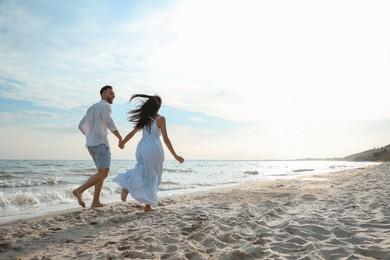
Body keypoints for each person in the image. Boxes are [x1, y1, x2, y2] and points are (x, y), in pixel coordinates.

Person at [113, 94, 184, 212]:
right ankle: (146, 204)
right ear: (158, 106)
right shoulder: (161, 119)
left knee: (141, 168)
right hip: (155, 147)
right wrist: (175, 155)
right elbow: (166, 139)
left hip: (142, 146)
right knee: (154, 175)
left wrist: (123, 143)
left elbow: (132, 133)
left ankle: (129, 188)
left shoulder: (144, 119)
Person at [73, 85, 123, 208]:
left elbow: (81, 125)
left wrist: (89, 135)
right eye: (111, 93)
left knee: (100, 173)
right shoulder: (105, 106)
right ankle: (79, 191)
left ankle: (95, 202)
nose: (113, 96)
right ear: (104, 94)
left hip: (91, 144)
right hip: (101, 143)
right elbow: (109, 122)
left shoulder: (92, 108)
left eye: (113, 94)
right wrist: (120, 137)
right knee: (104, 173)